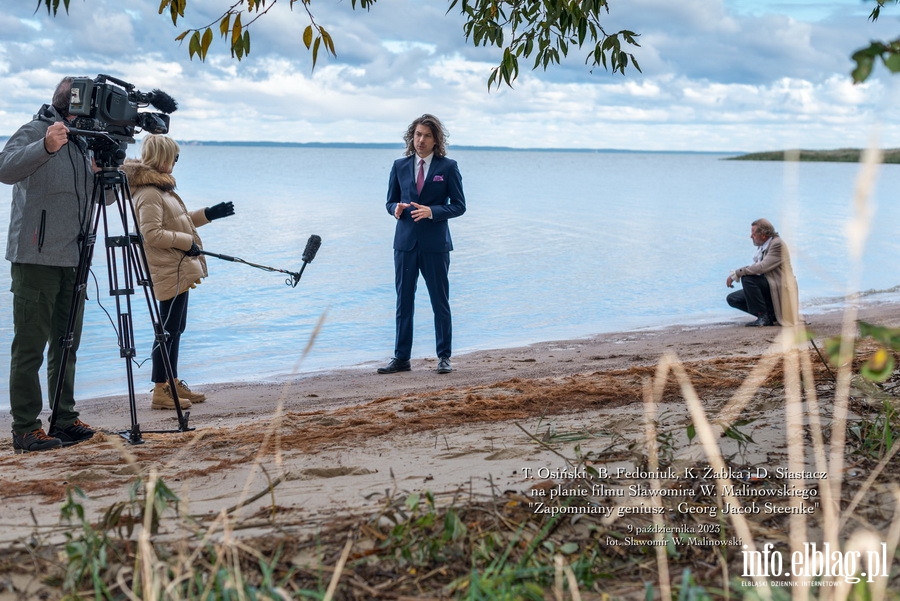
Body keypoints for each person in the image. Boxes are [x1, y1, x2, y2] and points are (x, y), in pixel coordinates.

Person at [0, 77, 98, 453]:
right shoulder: (36, 129)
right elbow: (5, 168)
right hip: (35, 258)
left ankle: (65, 419)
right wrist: (44, 146)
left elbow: (100, 200)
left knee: (67, 344)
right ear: (69, 103)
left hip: (74, 259)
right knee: (30, 347)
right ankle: (25, 428)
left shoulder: (84, 141)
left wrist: (106, 172)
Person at [121, 135, 234, 409]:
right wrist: (187, 243)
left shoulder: (161, 189)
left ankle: (171, 382)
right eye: (174, 157)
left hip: (178, 266)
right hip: (167, 268)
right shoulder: (148, 192)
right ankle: (160, 391)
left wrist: (209, 213)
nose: (176, 162)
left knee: (176, 328)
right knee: (167, 330)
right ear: (162, 158)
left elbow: (180, 222)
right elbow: (152, 234)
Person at [378, 114, 467, 375]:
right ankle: (401, 358)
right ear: (411, 137)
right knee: (403, 302)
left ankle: (444, 357)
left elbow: (459, 206)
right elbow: (389, 201)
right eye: (417, 134)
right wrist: (395, 209)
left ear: (436, 140)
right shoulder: (399, 165)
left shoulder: (448, 167)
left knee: (440, 301)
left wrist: (432, 211)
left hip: (435, 245)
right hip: (404, 244)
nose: (421, 140)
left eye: (427, 135)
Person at [726, 218, 799, 327]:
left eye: (753, 233)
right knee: (733, 299)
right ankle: (771, 315)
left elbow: (762, 267)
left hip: (781, 289)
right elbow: (757, 267)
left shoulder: (777, 244)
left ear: (764, 234)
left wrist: (738, 273)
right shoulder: (764, 246)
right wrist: (737, 274)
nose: (751, 236)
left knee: (748, 279)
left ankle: (763, 317)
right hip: (770, 286)